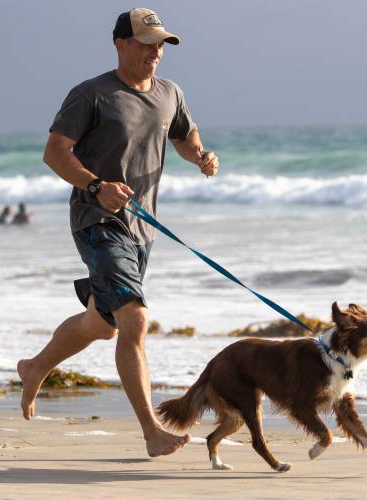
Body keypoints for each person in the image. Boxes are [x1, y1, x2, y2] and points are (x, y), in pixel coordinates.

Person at [16, 8, 219, 458]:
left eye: (160, 44)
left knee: (101, 324)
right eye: (146, 43)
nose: (155, 52)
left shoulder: (171, 93)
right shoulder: (92, 95)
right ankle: (152, 431)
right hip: (97, 221)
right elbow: (54, 152)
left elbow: (184, 135)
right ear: (120, 44)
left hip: (143, 228)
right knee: (135, 319)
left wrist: (201, 156)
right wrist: (95, 185)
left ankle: (34, 368)